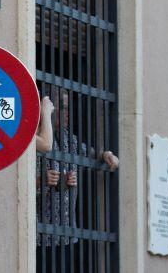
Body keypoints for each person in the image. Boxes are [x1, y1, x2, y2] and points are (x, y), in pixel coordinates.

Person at [37, 87, 119, 251]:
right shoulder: (35, 137)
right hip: (40, 236)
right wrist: (42, 181)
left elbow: (92, 155)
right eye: (62, 107)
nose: (67, 112)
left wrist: (106, 155)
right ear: (48, 107)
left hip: (67, 234)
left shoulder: (70, 139)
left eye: (68, 108)